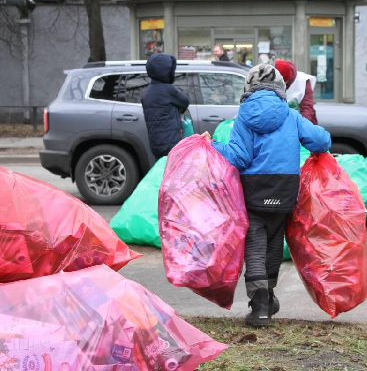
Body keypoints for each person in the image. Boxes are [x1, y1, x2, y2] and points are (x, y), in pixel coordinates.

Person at [202, 62, 331, 327]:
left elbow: (238, 157)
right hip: (285, 190)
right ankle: (269, 298)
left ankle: (260, 305)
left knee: (255, 244)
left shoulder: (244, 118)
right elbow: (320, 141)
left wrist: (212, 145)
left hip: (254, 190)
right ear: (280, 88)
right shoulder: (291, 115)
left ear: (248, 87)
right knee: (274, 241)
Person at [141, 53, 190, 161]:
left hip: (156, 143)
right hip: (171, 143)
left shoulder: (147, 92)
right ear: (166, 72)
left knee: (162, 171)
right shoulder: (167, 90)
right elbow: (185, 102)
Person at [274, 60, 318, 125]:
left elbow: (307, 108)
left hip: (301, 122)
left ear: (287, 79)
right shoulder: (268, 80)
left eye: (282, 84)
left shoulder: (303, 81)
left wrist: (298, 125)